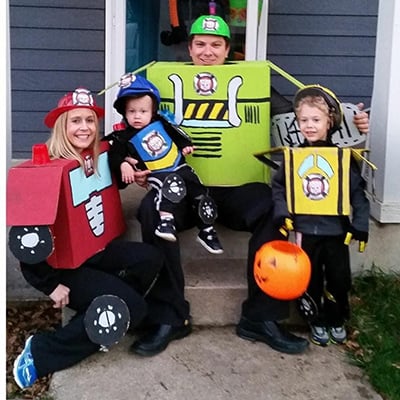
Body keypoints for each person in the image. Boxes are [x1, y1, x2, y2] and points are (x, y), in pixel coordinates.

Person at [134, 14, 371, 355]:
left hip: (239, 188)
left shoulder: (254, 83)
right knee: (150, 212)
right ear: (189, 48)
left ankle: (261, 317)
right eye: (200, 44)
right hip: (185, 188)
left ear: (228, 50)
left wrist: (351, 123)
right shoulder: (162, 86)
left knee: (273, 209)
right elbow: (139, 128)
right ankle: (170, 317)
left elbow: (303, 118)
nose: (207, 51)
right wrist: (140, 167)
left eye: (216, 45)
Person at [11, 88, 192, 389]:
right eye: (75, 121)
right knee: (130, 308)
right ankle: (42, 353)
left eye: (90, 121)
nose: (84, 127)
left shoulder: (94, 158)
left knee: (152, 257)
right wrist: (48, 283)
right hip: (67, 268)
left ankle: (108, 304)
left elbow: (111, 176)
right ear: (61, 127)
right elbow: (28, 235)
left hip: (96, 252)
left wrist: (134, 173)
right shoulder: (48, 168)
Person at [271, 85, 370, 346]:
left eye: (316, 120)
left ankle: (336, 318)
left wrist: (360, 225)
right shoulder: (293, 157)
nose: (310, 126)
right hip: (305, 231)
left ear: (330, 122)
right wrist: (283, 215)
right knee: (310, 277)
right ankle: (314, 320)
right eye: (304, 120)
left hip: (337, 231)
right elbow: (279, 187)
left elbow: (357, 192)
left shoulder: (343, 158)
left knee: (339, 277)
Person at [105, 73, 223, 254]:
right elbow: (114, 155)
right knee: (171, 184)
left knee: (199, 191)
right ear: (124, 112)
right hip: (155, 172)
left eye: (143, 111)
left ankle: (206, 230)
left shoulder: (161, 122)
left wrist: (186, 146)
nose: (137, 116)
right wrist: (123, 164)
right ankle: (166, 221)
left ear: (152, 111)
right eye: (131, 111)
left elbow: (178, 134)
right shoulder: (123, 136)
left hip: (178, 164)